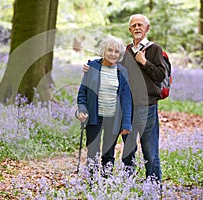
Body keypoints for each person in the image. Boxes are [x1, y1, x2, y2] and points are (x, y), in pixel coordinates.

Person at [83, 14, 165, 183]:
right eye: (133, 25)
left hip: (146, 106)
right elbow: (111, 61)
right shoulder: (126, 51)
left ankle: (154, 185)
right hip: (126, 107)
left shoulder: (154, 49)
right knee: (129, 149)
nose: (137, 28)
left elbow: (160, 75)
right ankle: (129, 182)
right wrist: (90, 65)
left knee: (150, 150)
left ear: (147, 28)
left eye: (140, 25)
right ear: (130, 29)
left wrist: (145, 62)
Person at [76, 35, 132, 178]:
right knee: (92, 152)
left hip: (113, 119)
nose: (113, 54)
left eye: (116, 52)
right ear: (103, 51)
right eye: (110, 50)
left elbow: (126, 100)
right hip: (94, 118)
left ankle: (106, 181)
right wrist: (82, 110)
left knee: (108, 153)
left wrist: (126, 123)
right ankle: (92, 182)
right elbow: (82, 93)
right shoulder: (92, 67)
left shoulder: (122, 72)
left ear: (120, 55)